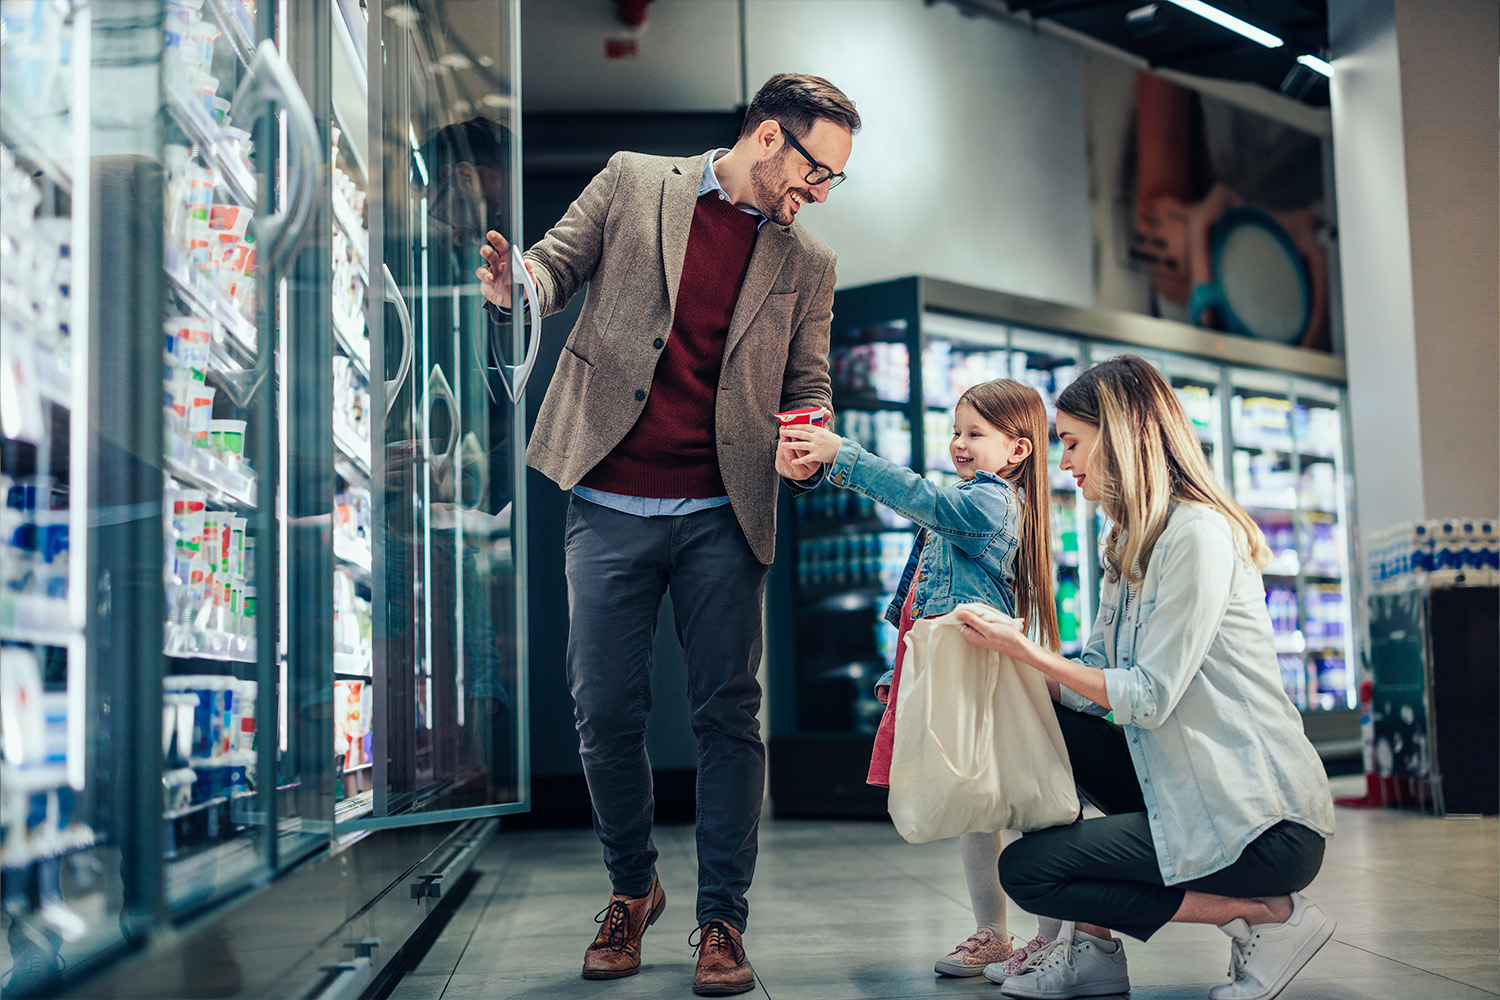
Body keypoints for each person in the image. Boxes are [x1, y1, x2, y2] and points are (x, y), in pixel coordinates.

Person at [475, 73, 859, 996]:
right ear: (769, 137)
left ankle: (722, 918)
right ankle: (630, 889)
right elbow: (550, 267)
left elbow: (808, 385)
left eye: (834, 181)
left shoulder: (808, 266)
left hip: (724, 509)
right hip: (608, 495)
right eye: (817, 170)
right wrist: (510, 285)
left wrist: (811, 437)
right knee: (604, 713)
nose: (820, 193)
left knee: (728, 716)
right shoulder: (633, 179)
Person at [953, 355, 1337, 1000]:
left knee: (1032, 873)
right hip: (1190, 794)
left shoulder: (1197, 536)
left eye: (1073, 442)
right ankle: (1095, 954)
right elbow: (1092, 679)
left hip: (1262, 824)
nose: (1065, 461)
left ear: (1122, 436)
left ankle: (1272, 917)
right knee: (1041, 721)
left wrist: (1027, 652)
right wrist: (988, 666)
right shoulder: (1129, 542)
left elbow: (1150, 696)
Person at [779, 379, 1063, 980]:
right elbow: (918, 602)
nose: (958, 443)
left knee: (1017, 797)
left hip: (984, 664)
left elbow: (925, 500)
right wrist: (900, 670)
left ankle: (1054, 935)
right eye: (955, 430)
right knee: (978, 801)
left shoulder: (991, 504)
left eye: (975, 433)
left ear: (1018, 451)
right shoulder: (971, 502)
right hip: (952, 664)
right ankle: (995, 932)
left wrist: (843, 457)